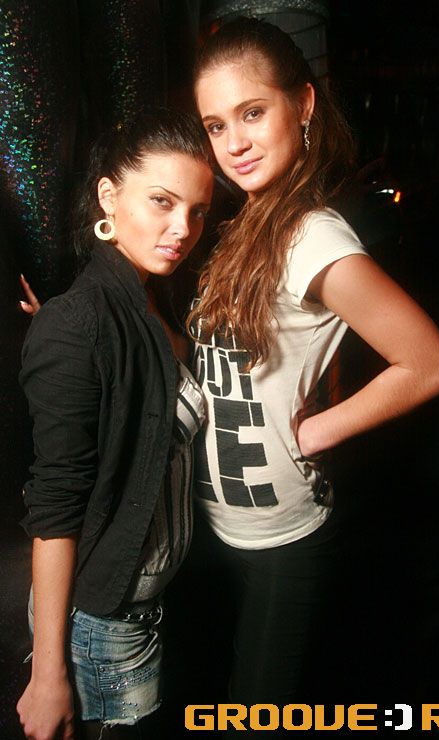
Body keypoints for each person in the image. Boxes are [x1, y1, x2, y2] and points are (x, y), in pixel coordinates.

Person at [184, 16, 439, 710]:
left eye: (252, 112)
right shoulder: (248, 222)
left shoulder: (311, 234)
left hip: (282, 542)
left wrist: (315, 431)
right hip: (221, 526)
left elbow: (428, 363)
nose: (234, 143)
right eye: (216, 125)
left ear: (302, 104)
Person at [16, 109, 214, 740]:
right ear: (108, 195)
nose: (182, 229)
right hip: (104, 625)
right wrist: (48, 673)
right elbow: (55, 506)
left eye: (198, 211)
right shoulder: (80, 323)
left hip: (155, 602)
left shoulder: (156, 295)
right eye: (161, 201)